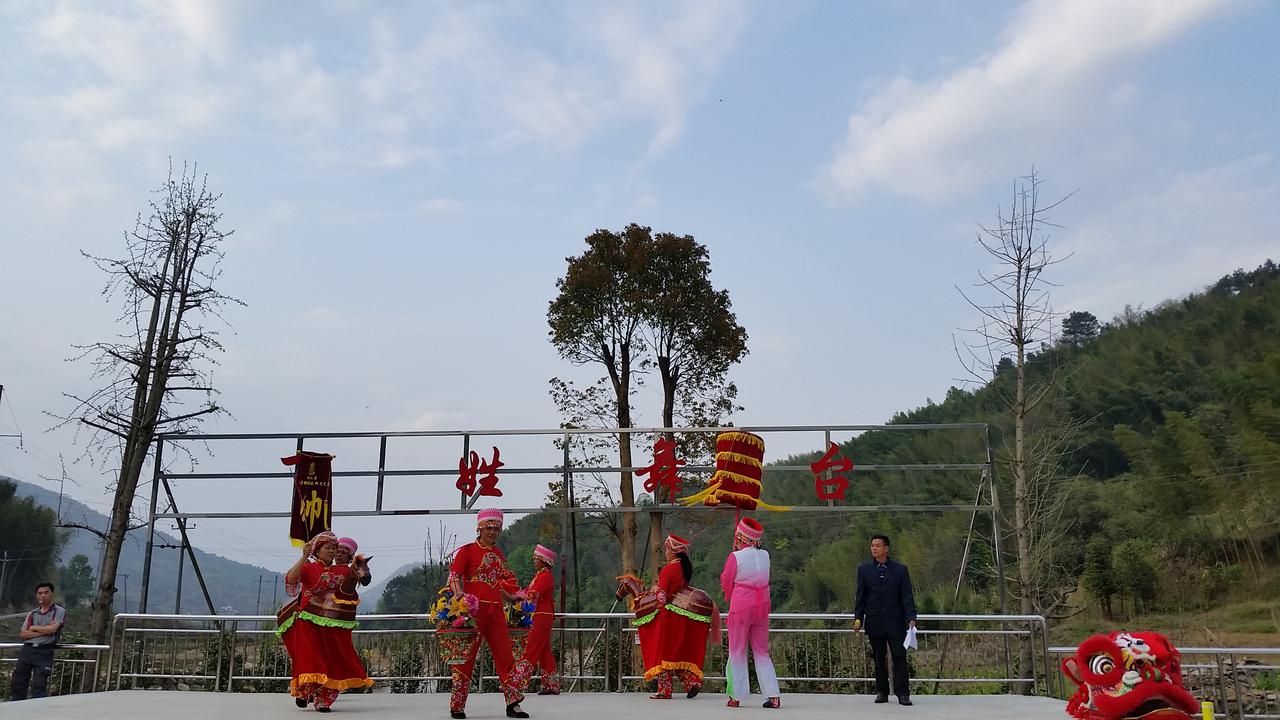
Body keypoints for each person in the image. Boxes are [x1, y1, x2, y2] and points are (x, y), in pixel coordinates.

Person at [446, 508, 534, 719]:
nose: (493, 532)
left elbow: (499, 583)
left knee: (506, 656)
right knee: (465, 658)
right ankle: (457, 705)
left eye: (497, 528)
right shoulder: (466, 551)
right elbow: (454, 576)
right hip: (472, 611)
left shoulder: (498, 554)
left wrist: (512, 598)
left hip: (495, 611)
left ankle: (513, 703)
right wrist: (459, 596)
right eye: (489, 528)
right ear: (479, 527)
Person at [278, 531, 374, 712]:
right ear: (317, 550)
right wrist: (304, 557)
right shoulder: (308, 568)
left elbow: (358, 579)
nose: (332, 551)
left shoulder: (344, 570)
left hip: (335, 623)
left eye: (334, 548)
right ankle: (304, 690)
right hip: (308, 620)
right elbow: (291, 579)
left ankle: (324, 699)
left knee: (333, 658)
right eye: (327, 548)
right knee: (310, 656)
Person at [720, 518, 780, 709]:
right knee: (761, 651)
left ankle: (735, 696)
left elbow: (726, 580)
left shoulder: (735, 557)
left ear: (739, 537)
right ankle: (773, 695)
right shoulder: (765, 555)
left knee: (737, 650)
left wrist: (728, 592)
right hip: (762, 605)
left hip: (742, 605)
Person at [853, 533, 917, 706]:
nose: (874, 548)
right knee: (878, 658)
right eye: (872, 545)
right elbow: (861, 596)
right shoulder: (864, 570)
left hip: (895, 620)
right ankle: (882, 691)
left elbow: (907, 596)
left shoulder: (900, 569)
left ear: (886, 548)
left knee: (899, 657)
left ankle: (903, 693)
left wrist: (911, 617)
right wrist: (858, 618)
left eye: (878, 545)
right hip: (875, 620)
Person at [648, 533, 712, 700]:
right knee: (674, 653)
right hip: (678, 615)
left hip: (667, 616)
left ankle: (665, 690)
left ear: (673, 551)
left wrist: (655, 592)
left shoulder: (669, 569)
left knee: (664, 654)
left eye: (667, 549)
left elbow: (661, 596)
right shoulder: (682, 569)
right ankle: (691, 683)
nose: (665, 552)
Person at [10, 581, 66, 701]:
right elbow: (24, 633)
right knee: (18, 683)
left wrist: (34, 628)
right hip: (27, 650)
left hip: (44, 651)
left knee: (39, 685)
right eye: (40, 593)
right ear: (36, 595)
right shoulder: (32, 613)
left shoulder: (58, 611)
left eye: (46, 592)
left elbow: (52, 629)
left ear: (52, 594)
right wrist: (44, 631)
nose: (43, 595)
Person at [520, 544, 559, 695]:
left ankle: (518, 681)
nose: (534, 561)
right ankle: (551, 684)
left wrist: (518, 597)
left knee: (532, 648)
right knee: (544, 650)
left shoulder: (545, 577)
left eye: (536, 558)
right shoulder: (541, 576)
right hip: (541, 614)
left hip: (542, 615)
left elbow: (534, 594)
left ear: (544, 561)